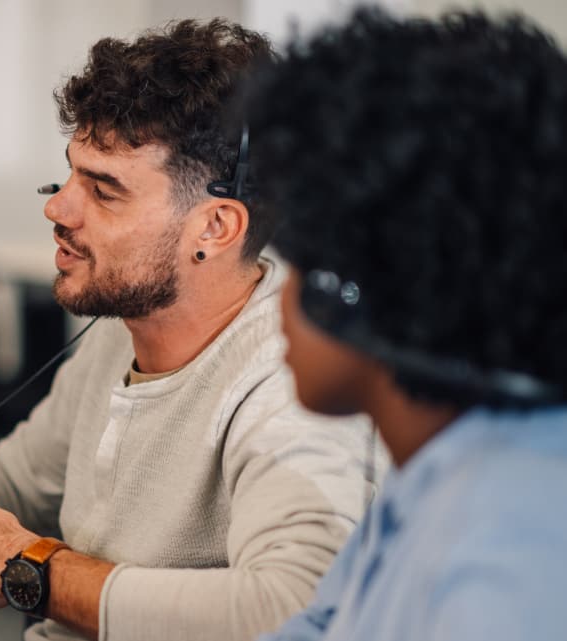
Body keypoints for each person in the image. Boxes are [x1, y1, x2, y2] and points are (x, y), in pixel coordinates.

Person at [0, 19, 377, 641]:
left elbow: (293, 611)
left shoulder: (295, 388)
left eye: (104, 192)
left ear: (215, 227)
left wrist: (25, 569)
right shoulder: (125, 325)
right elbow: (23, 477)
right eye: (71, 175)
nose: (57, 209)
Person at [245, 8, 567, 640]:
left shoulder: (507, 543)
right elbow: (317, 627)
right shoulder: (437, 469)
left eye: (300, 261)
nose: (282, 295)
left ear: (355, 292)